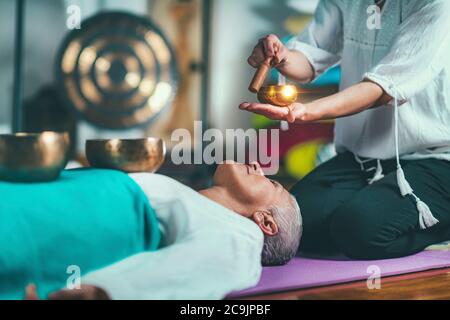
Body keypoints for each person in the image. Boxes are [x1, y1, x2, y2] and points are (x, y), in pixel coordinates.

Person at [240, 0, 450, 260]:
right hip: (362, 160)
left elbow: (382, 90)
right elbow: (308, 58)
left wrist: (307, 111)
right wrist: (281, 56)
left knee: (359, 231)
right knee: (295, 226)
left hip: (435, 160)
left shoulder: (438, 4)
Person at [24, 162, 302, 300]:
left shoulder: (243, 235)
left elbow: (207, 268)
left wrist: (99, 291)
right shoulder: (195, 203)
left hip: (45, 221)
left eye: (273, 184)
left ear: (265, 222)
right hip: (51, 195)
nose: (258, 167)